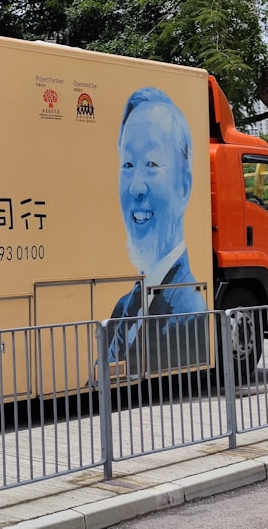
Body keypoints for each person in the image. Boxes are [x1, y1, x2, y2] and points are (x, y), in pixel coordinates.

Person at [107, 87, 208, 371]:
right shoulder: (122, 309)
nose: (136, 186)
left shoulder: (189, 312)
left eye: (151, 164)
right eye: (127, 164)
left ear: (184, 186)